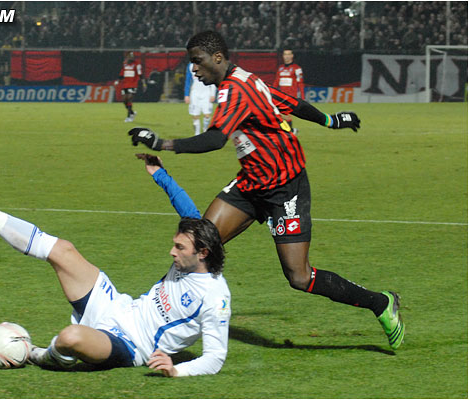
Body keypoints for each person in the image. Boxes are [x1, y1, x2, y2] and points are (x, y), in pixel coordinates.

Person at [128, 30, 404, 350]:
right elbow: (293, 104)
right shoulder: (247, 79)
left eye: (198, 61)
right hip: (250, 183)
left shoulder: (235, 89)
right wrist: (330, 120)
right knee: (196, 242)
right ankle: (150, 317)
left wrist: (163, 143)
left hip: (285, 186)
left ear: (217, 58)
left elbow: (216, 139)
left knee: (299, 277)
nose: (194, 69)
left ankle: (380, 303)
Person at [0, 161, 230, 377]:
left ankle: (36, 354)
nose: (172, 252)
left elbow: (215, 358)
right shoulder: (195, 245)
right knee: (64, 250)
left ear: (203, 253)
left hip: (130, 345)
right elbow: (188, 211)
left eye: (179, 248)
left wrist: (177, 370)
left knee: (69, 338)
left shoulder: (215, 298)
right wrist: (160, 174)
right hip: (117, 307)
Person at [273, 49, 305, 135]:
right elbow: (276, 81)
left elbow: (300, 83)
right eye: (285, 54)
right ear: (283, 56)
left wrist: (302, 97)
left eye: (288, 54)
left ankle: (289, 131)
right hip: (280, 95)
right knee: (279, 114)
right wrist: (271, 92)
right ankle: (291, 130)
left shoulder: (297, 68)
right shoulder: (280, 68)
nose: (286, 56)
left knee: (285, 114)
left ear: (292, 56)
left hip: (291, 95)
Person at [184, 62, 216, 135]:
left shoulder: (208, 64)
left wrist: (213, 94)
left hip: (206, 93)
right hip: (195, 93)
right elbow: (188, 80)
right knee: (195, 115)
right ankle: (197, 134)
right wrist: (186, 95)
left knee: (207, 115)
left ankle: (205, 131)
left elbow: (213, 79)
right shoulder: (190, 65)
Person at [115, 51, 146, 123]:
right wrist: (118, 80)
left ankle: (129, 116)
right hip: (125, 84)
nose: (131, 57)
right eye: (130, 56)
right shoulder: (125, 64)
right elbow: (122, 73)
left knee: (129, 98)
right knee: (124, 100)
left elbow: (140, 74)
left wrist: (144, 83)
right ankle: (132, 112)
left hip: (133, 84)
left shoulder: (137, 64)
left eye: (132, 56)